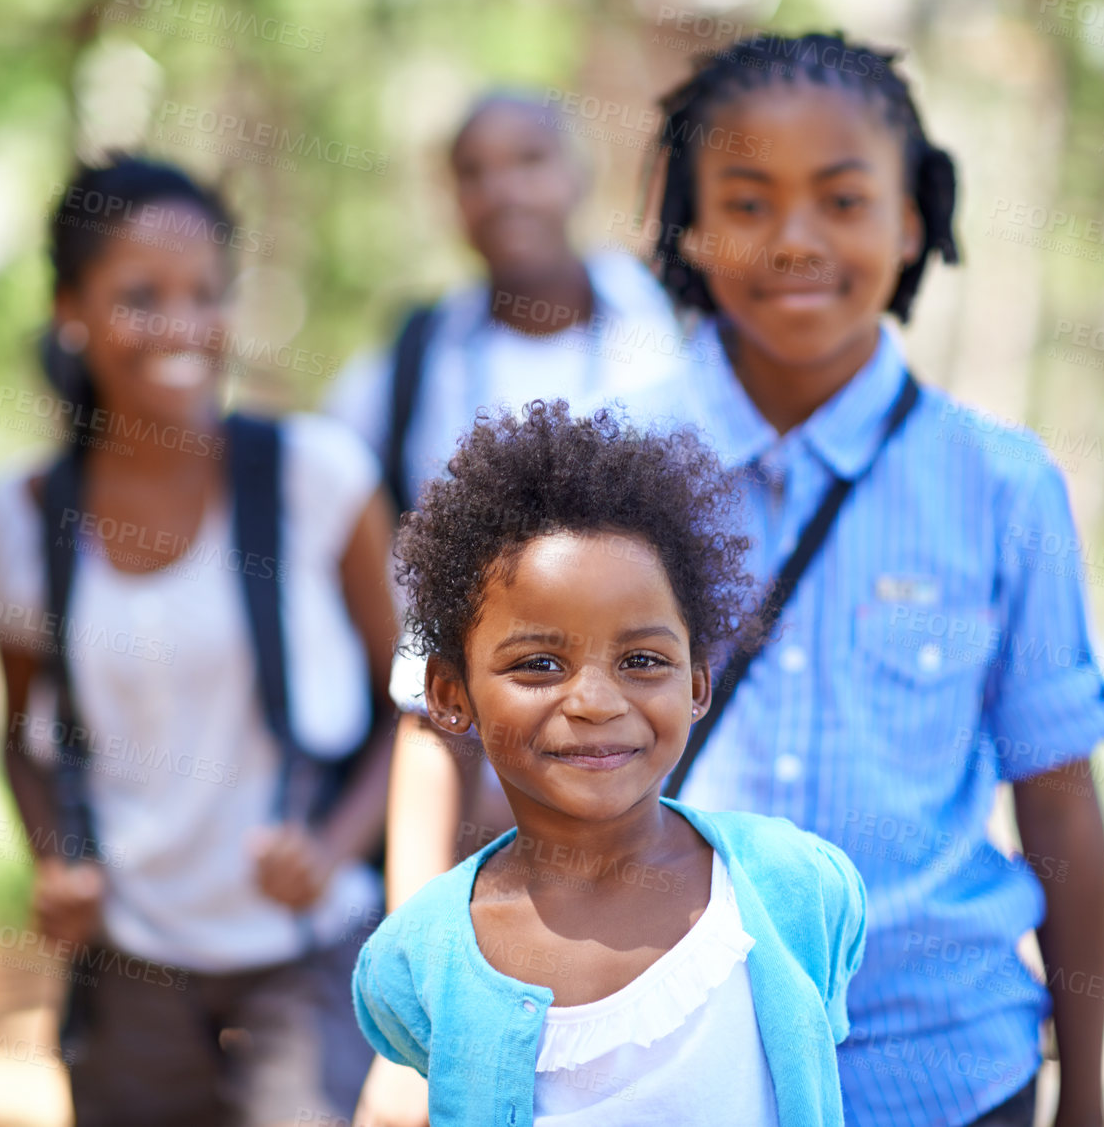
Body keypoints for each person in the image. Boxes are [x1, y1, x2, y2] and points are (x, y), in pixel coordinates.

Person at [370, 32, 1104, 1127]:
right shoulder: (593, 457)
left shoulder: (1004, 487)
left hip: (946, 1074)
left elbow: (1059, 795)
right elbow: (431, 726)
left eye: (844, 199)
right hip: (654, 1074)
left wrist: (1087, 1094)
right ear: (687, 221)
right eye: (750, 200)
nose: (796, 241)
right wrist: (417, 1027)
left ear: (914, 219)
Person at [0, 155, 398, 1126]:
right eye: (141, 296)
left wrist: (334, 846)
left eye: (206, 294)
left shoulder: (317, 478)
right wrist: (53, 859)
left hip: (300, 952)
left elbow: (416, 701)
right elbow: (17, 735)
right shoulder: (22, 519)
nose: (183, 326)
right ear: (71, 309)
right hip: (130, 962)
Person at [352, 401, 868, 1127]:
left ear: (696, 685)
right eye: (538, 663)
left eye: (641, 660)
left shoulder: (798, 889)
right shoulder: (418, 959)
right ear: (449, 692)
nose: (595, 700)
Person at [329, 91, 690, 1123]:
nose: (503, 191)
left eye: (529, 159)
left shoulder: (671, 349)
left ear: (577, 176)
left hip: (636, 811)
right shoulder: (407, 364)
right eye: (474, 170)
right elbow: (340, 537)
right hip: (456, 803)